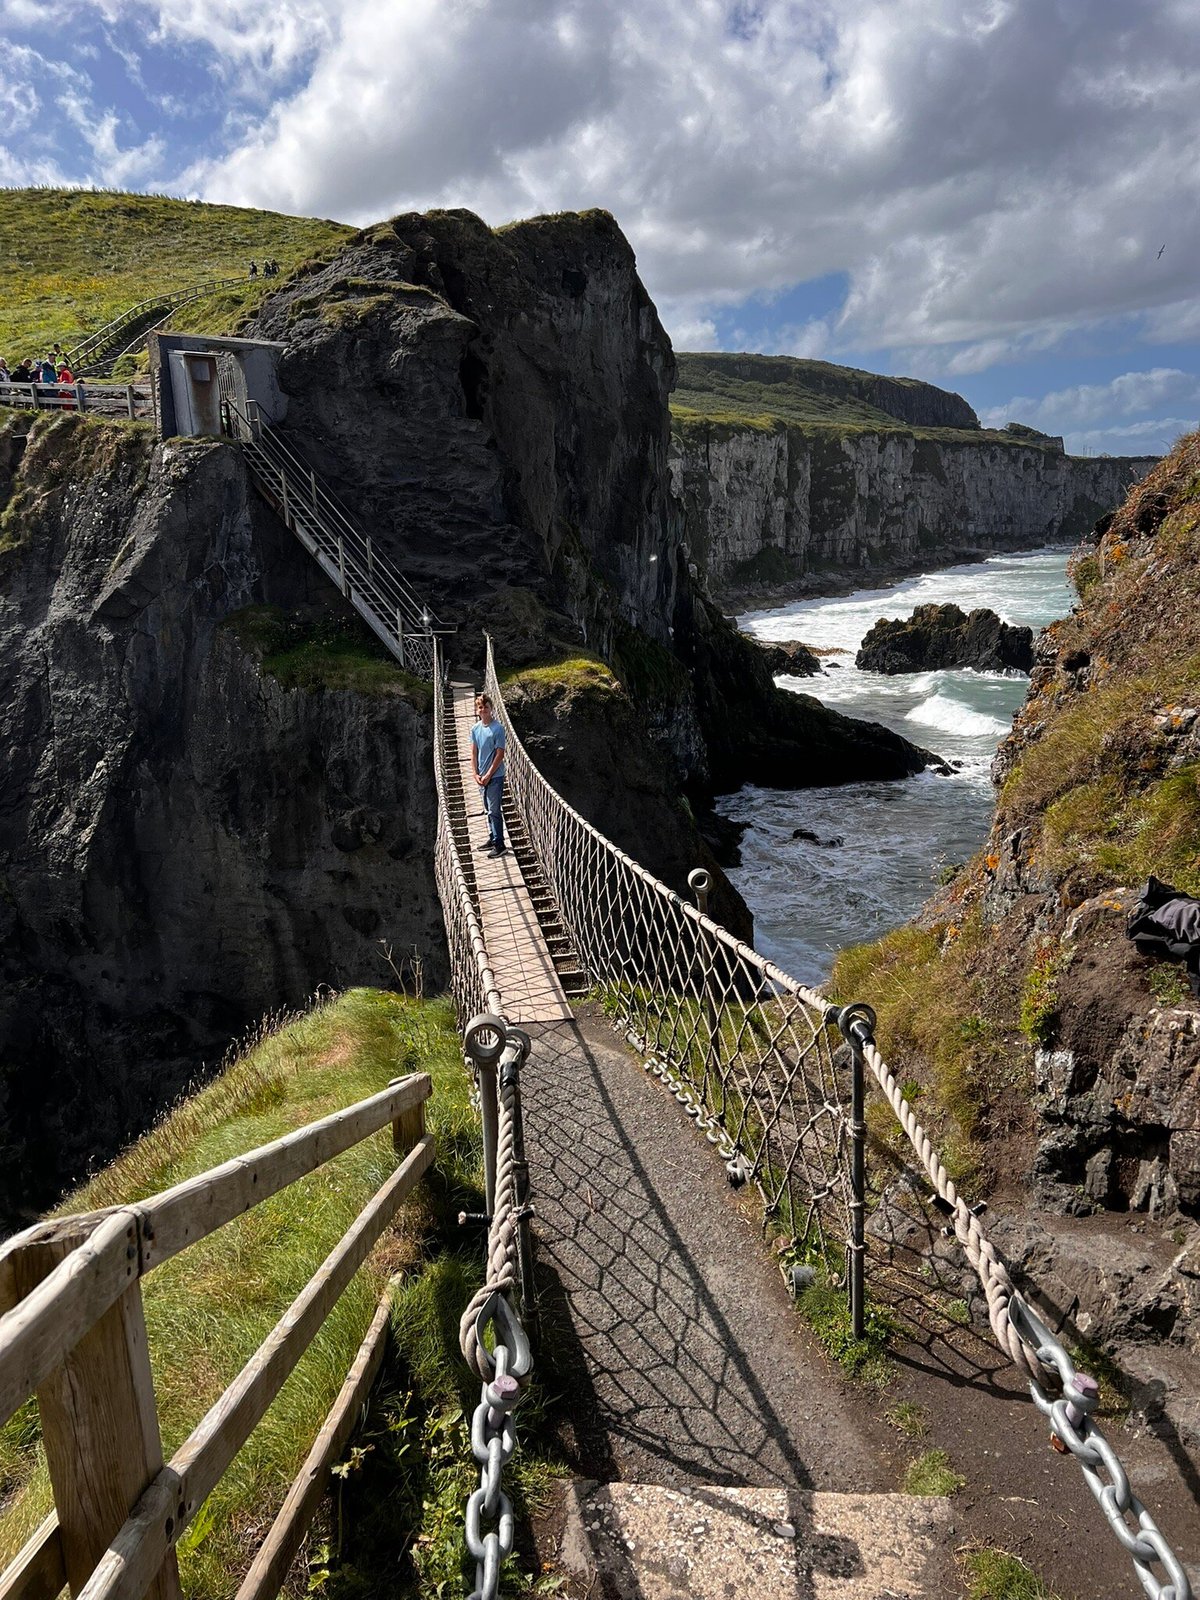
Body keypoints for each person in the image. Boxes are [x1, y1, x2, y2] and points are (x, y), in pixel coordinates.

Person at [470, 692, 507, 857]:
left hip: (495, 776)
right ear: (477, 710)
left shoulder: (498, 729)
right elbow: (473, 753)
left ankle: (500, 845)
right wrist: (475, 773)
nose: (483, 710)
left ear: (491, 709)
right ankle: (492, 838)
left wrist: (488, 775)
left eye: (486, 707)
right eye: (480, 707)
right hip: (482, 776)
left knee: (494, 810)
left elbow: (500, 754)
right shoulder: (475, 729)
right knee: (487, 809)